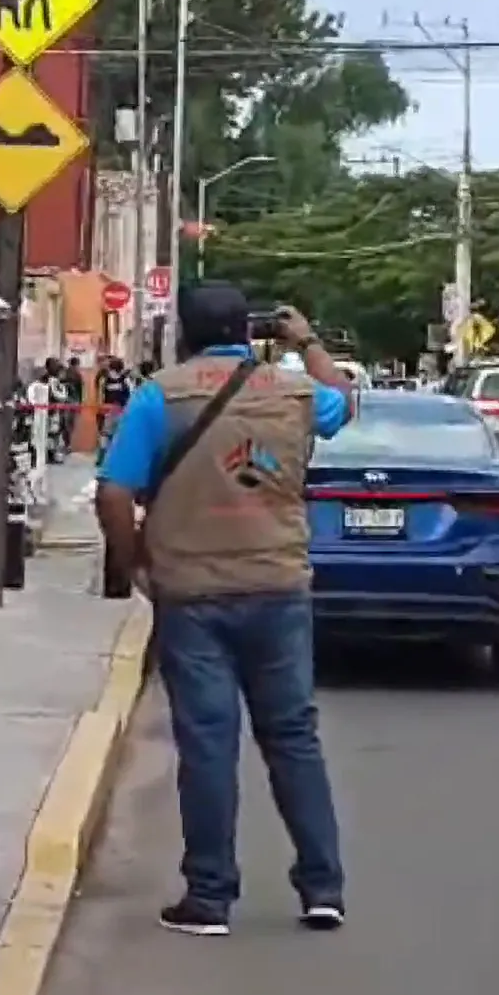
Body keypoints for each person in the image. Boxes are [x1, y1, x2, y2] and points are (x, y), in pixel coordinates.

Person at [94, 282, 352, 937]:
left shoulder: (161, 394)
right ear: (251, 329)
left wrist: (135, 566)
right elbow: (344, 403)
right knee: (293, 737)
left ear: (183, 330)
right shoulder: (293, 393)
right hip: (278, 584)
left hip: (193, 591)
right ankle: (322, 888)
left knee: (208, 743)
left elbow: (114, 492)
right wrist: (309, 340)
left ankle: (210, 896)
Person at [98, 356, 134, 453]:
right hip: (117, 411)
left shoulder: (106, 380)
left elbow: (101, 396)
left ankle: (104, 455)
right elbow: (131, 394)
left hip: (113, 412)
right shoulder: (124, 380)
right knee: (114, 434)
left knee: (107, 434)